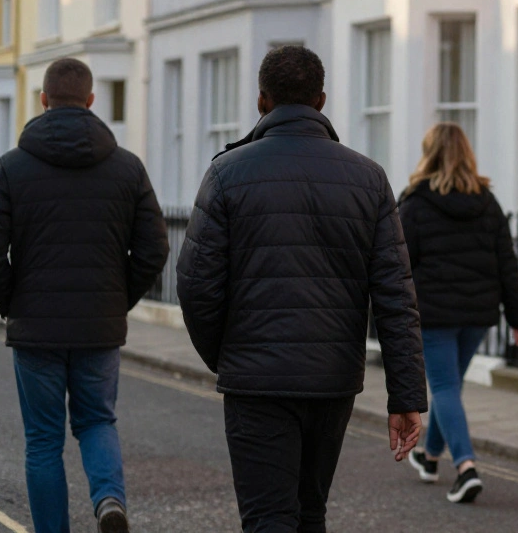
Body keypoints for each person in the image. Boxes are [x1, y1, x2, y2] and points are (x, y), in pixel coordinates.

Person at [176, 45, 426, 533]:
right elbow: (396, 297)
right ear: (322, 100)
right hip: (331, 380)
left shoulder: (227, 173)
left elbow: (195, 284)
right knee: (310, 514)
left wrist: (226, 355)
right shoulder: (368, 178)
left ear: (261, 101)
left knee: (268, 519)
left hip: (255, 382)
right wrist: (405, 397)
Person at [0, 57, 169, 533]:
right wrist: (116, 300)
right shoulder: (128, 169)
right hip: (98, 326)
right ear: (91, 101)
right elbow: (154, 249)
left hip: (36, 328)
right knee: (96, 423)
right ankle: (109, 500)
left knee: (43, 440)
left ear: (43, 101)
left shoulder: (9, 168)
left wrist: (14, 304)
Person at [398, 122, 518, 503]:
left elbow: (399, 265)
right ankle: (428, 455)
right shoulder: (486, 202)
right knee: (450, 386)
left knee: (443, 387)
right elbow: (507, 262)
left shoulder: (415, 203)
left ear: (429, 154)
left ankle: (466, 468)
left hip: (434, 314)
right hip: (478, 313)